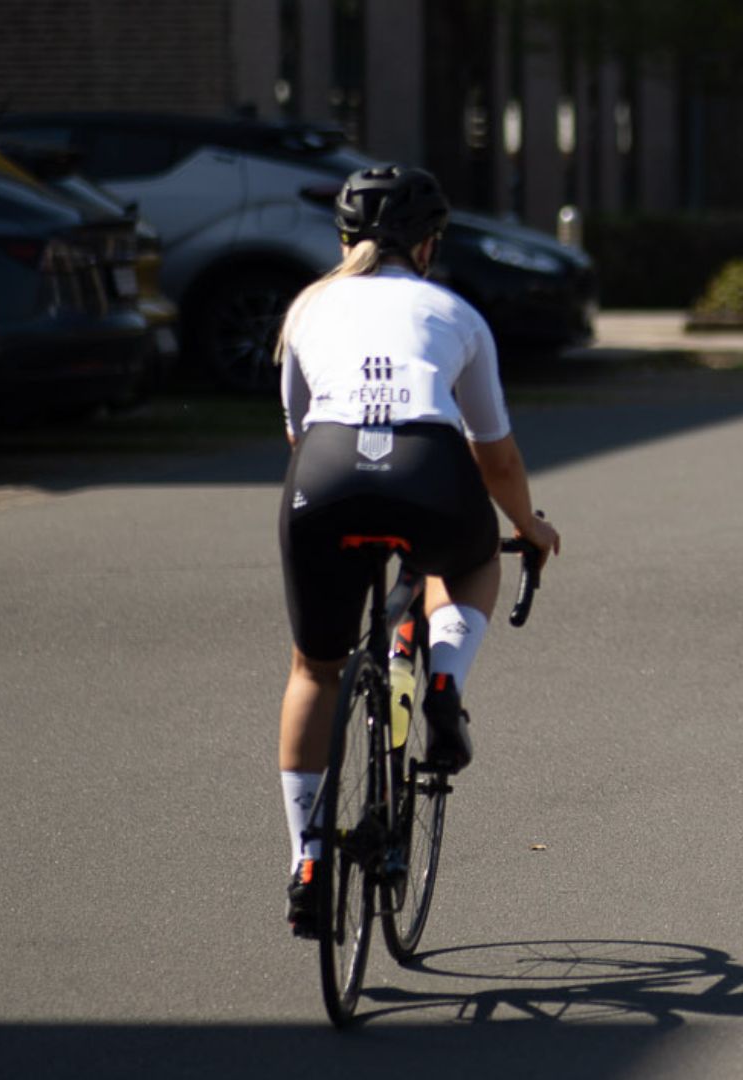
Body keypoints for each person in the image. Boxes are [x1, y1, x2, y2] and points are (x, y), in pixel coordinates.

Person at [274, 164, 560, 936]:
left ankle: (307, 857)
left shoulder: (306, 310)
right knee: (467, 561)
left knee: (315, 668)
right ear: (429, 245)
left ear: (343, 239)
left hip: (326, 477)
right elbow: (493, 457)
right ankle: (443, 682)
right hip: (430, 474)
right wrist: (529, 526)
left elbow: (300, 436)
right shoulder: (455, 313)